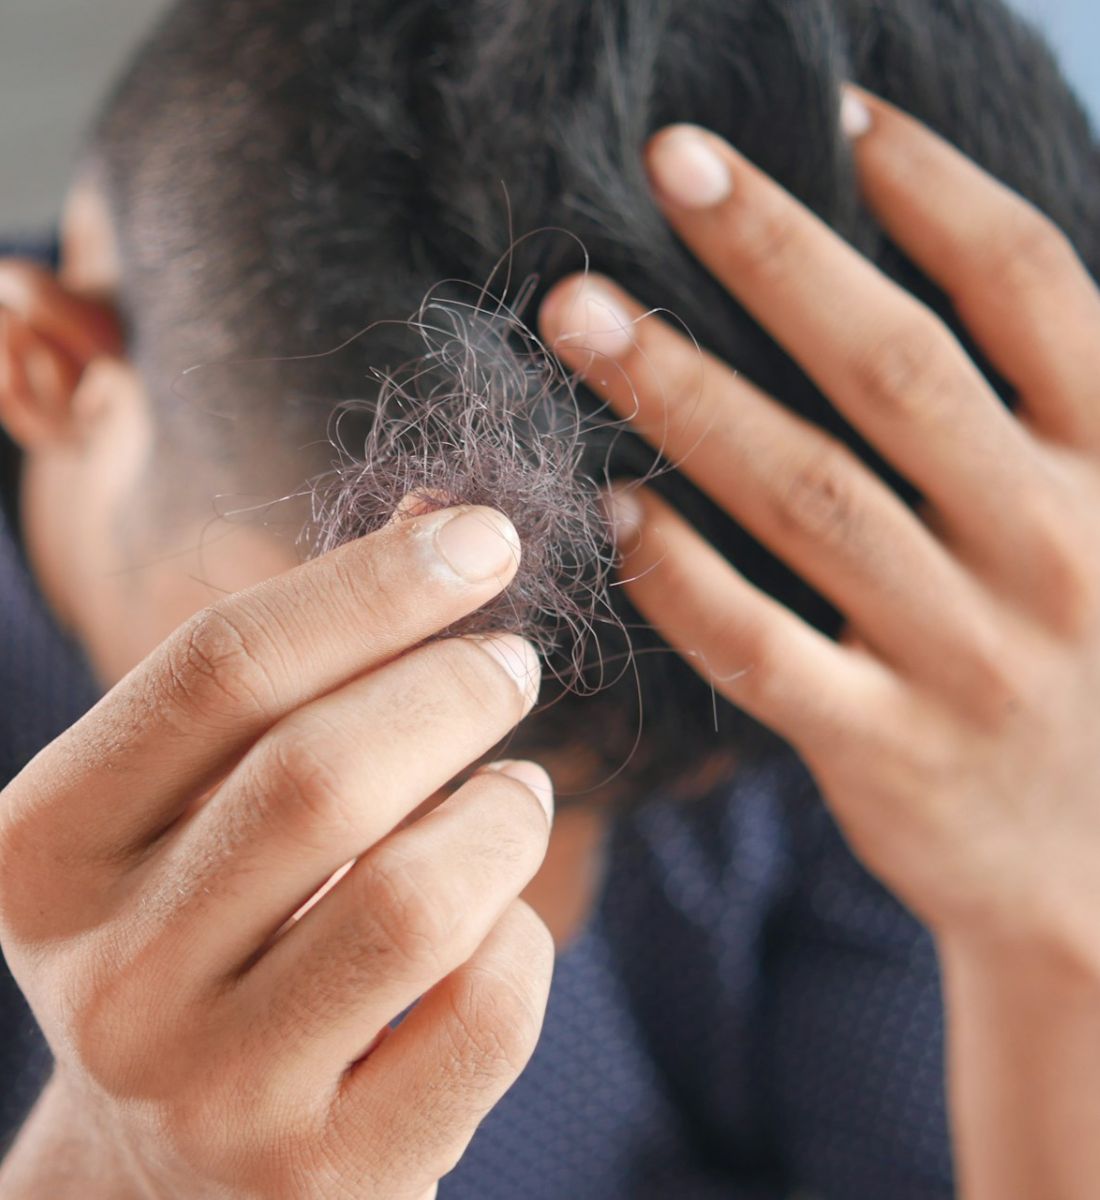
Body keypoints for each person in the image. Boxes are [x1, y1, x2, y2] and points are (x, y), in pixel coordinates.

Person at [1, 0, 1099, 1195]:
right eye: (362, 690)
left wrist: (1052, 938)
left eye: (641, 790)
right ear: (44, 366)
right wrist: (107, 1172)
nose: (504, 911)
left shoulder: (921, 656)